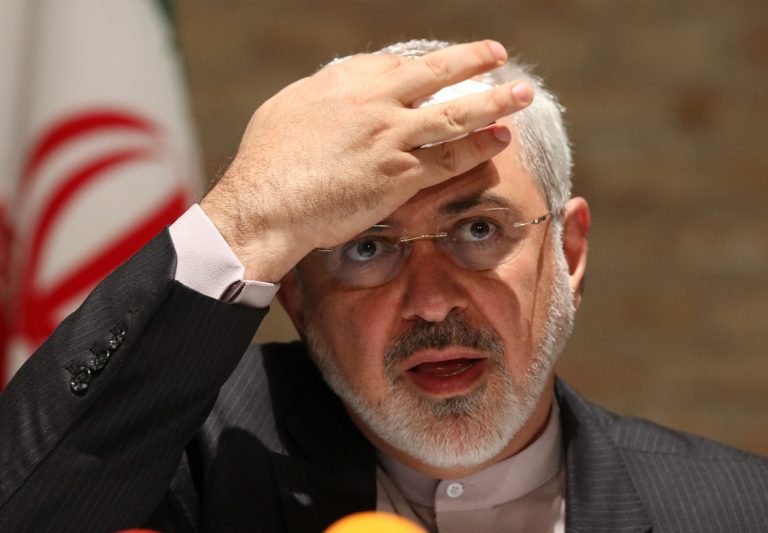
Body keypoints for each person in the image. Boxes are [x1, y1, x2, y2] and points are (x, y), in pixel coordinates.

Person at [0, 39, 766, 533]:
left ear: (566, 252)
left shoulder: (735, 508)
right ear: (295, 294)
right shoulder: (188, 458)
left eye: (478, 231)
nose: (432, 302)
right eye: (367, 248)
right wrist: (246, 220)